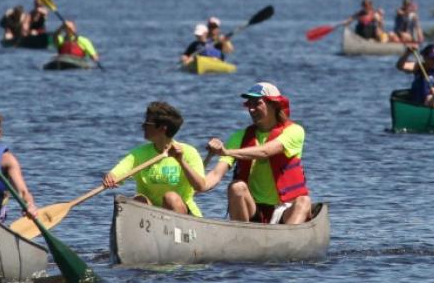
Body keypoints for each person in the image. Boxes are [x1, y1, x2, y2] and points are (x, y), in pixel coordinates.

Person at [202, 82, 312, 225]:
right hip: (253, 209)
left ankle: (286, 241)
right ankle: (242, 236)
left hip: (285, 209)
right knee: (236, 187)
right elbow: (216, 174)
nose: (252, 109)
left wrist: (226, 151)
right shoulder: (239, 137)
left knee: (304, 201)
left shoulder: (294, 131)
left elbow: (266, 151)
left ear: (274, 105)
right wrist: (195, 188)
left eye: (257, 103)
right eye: (249, 104)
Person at [102, 102, 205, 216]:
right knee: (138, 200)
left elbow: (200, 186)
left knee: (170, 197)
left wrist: (181, 161)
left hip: (186, 216)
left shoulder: (189, 152)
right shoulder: (139, 153)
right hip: (152, 217)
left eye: (147, 123)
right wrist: (111, 176)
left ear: (162, 128)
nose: (143, 127)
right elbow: (117, 173)